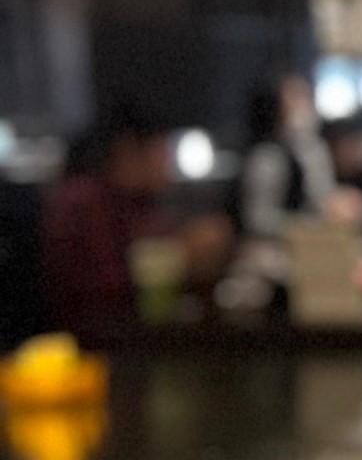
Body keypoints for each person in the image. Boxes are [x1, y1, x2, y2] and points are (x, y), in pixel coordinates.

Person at [41, 103, 233, 335]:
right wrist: (179, 257)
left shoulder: (142, 203)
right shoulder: (83, 200)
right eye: (164, 151)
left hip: (141, 337)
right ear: (129, 150)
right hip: (88, 344)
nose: (169, 164)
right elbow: (96, 293)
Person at [237, 75, 335, 240]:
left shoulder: (313, 150)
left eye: (307, 97)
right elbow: (257, 218)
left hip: (312, 240)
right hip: (270, 243)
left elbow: (323, 199)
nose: (305, 107)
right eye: (296, 98)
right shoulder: (265, 156)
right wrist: (303, 224)